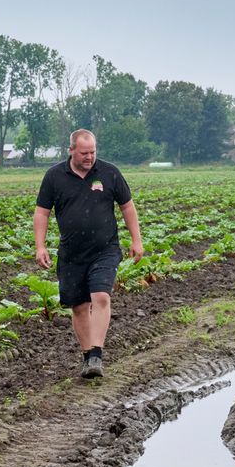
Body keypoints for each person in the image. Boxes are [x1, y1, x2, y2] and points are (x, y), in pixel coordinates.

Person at [33, 129, 143, 378]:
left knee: (101, 295)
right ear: (71, 150)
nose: (89, 157)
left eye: (93, 152)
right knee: (79, 306)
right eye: (84, 153)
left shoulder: (110, 172)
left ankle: (96, 354)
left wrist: (136, 240)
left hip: (105, 249)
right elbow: (42, 213)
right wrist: (40, 246)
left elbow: (127, 206)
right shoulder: (54, 177)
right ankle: (87, 359)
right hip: (71, 253)